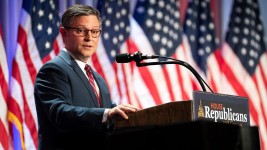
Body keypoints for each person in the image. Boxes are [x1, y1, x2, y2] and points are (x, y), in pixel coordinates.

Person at [34, 4, 140, 150]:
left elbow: (108, 115)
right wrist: (107, 114)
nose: (89, 38)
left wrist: (132, 116)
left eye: (95, 31)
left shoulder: (98, 79)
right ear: (64, 33)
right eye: (80, 31)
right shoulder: (54, 70)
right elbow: (60, 113)